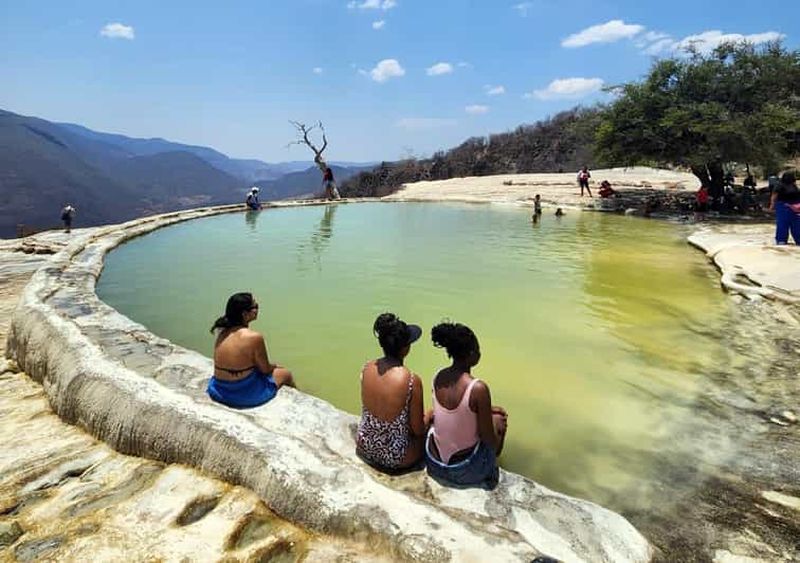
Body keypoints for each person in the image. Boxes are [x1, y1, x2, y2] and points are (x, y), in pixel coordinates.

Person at [425, 322, 508, 487]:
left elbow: (455, 410)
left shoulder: (438, 377)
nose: (479, 353)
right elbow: (488, 438)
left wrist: (488, 409)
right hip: (462, 470)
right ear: (471, 355)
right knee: (499, 421)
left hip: (433, 462)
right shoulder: (478, 388)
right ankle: (490, 467)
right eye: (477, 350)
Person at [356, 313, 428, 472]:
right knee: (430, 432)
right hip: (396, 457)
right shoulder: (411, 380)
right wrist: (430, 417)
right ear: (405, 348)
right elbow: (418, 430)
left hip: (364, 445)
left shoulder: (367, 367)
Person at [208, 293, 294, 408]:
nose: (257, 309)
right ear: (245, 314)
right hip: (242, 393)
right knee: (286, 374)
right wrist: (275, 366)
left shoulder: (223, 332)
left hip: (220, 389)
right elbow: (265, 370)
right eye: (255, 306)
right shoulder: (254, 337)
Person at [769, 171, 800, 245]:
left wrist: (771, 206)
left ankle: (781, 241)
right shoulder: (794, 186)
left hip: (784, 207)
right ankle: (798, 241)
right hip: (793, 207)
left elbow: (774, 196)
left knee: (783, 224)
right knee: (796, 224)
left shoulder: (779, 185)